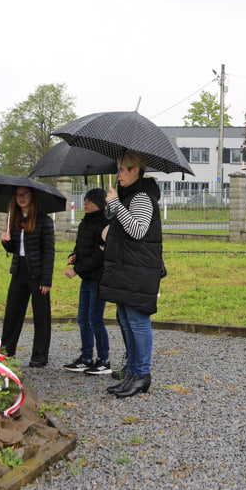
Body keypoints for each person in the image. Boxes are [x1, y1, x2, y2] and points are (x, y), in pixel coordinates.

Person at [100, 151, 163, 398]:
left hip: (139, 271)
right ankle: (132, 374)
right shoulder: (129, 196)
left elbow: (137, 230)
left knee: (138, 323)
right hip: (127, 269)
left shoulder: (142, 198)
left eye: (123, 169)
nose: (118, 174)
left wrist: (116, 204)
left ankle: (142, 374)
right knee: (127, 321)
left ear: (135, 170)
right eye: (117, 169)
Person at [0, 186, 55, 367]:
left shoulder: (44, 221)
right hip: (19, 271)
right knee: (12, 313)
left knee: (41, 316)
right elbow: (14, 249)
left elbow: (49, 252)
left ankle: (39, 356)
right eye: (18, 195)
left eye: (25, 194)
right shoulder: (14, 220)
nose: (21, 198)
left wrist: (46, 279)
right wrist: (6, 242)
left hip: (38, 274)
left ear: (32, 197)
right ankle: (6, 351)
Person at [62, 188, 111, 375]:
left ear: (98, 202)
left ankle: (104, 359)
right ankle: (86, 357)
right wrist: (73, 255)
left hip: (98, 278)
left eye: (89, 200)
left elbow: (100, 255)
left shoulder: (105, 225)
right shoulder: (85, 222)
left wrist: (76, 270)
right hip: (86, 278)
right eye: (85, 200)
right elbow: (80, 246)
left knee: (95, 319)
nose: (85, 203)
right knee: (83, 319)